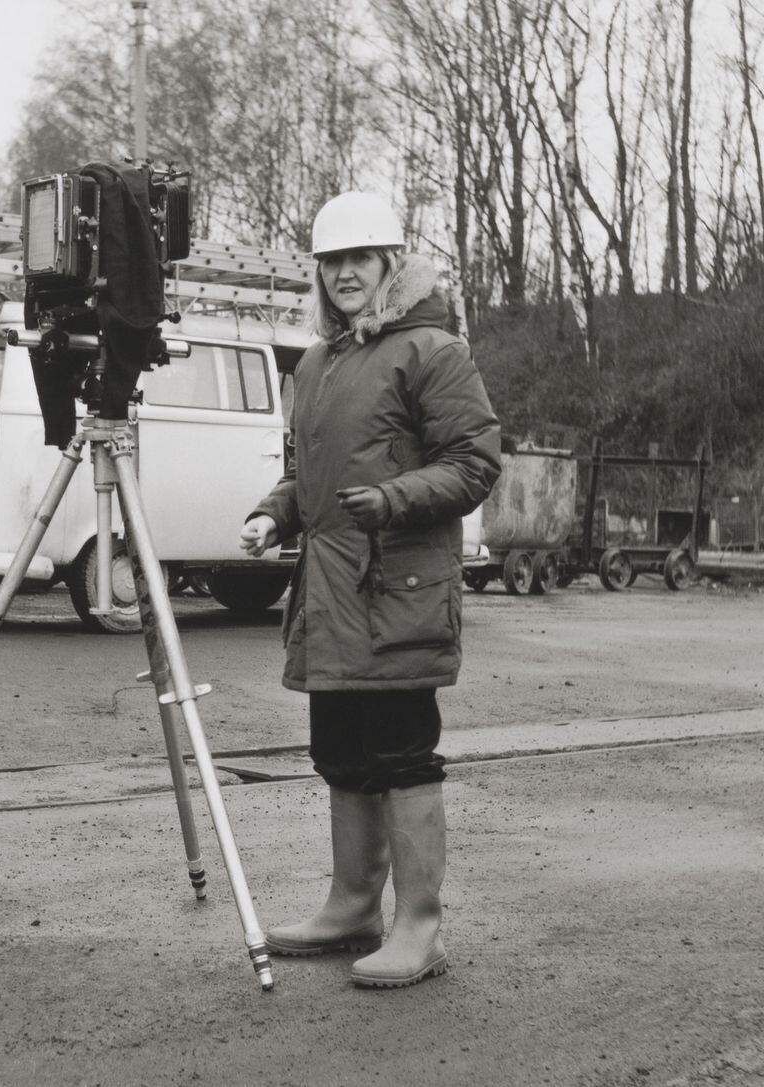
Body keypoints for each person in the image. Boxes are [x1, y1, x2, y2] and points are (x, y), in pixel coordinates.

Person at [240, 191, 500, 987]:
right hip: (329, 593)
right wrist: (272, 511)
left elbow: (475, 463)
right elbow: (307, 474)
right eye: (331, 262)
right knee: (342, 753)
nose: (345, 273)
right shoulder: (316, 362)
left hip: (397, 590)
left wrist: (393, 499)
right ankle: (352, 904)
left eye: (359, 259)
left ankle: (419, 926)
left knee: (402, 755)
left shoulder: (433, 350)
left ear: (390, 263)